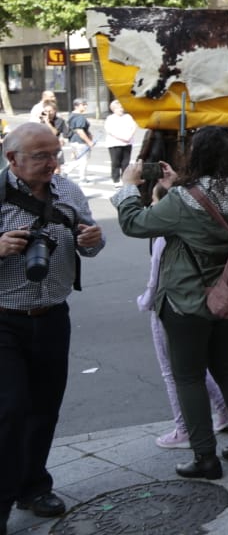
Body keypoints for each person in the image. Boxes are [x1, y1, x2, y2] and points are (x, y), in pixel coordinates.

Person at [115, 127, 228, 480]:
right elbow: (215, 209)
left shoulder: (182, 199)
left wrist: (127, 187)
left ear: (197, 155)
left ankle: (205, 458)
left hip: (186, 299)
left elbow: (135, 224)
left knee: (189, 377)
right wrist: (178, 184)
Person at [0, 124, 104, 532]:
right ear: (13, 160)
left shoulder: (68, 192)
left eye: (54, 153)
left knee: (44, 407)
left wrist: (93, 239)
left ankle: (34, 486)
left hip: (53, 316)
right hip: (4, 319)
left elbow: (92, 246)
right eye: (41, 156)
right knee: (9, 412)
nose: (51, 163)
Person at [140, 236, 228, 449]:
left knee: (173, 371)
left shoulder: (164, 237)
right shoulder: (197, 225)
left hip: (171, 306)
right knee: (196, 367)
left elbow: (155, 281)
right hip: (205, 301)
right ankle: (223, 407)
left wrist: (144, 302)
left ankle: (184, 429)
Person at [104, 99, 139, 184]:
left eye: (122, 108)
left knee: (126, 162)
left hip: (127, 143)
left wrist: (129, 136)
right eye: (118, 108)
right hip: (115, 143)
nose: (121, 109)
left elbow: (134, 126)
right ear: (113, 109)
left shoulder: (128, 117)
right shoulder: (110, 118)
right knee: (116, 162)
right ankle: (115, 179)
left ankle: (125, 178)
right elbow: (109, 131)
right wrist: (122, 138)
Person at [64, 99, 95, 183]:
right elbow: (80, 131)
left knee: (79, 159)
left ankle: (66, 172)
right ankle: (82, 178)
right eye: (83, 104)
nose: (85, 106)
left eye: (86, 104)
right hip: (80, 141)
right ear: (76, 106)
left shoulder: (72, 115)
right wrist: (89, 141)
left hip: (73, 140)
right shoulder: (80, 117)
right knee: (83, 160)